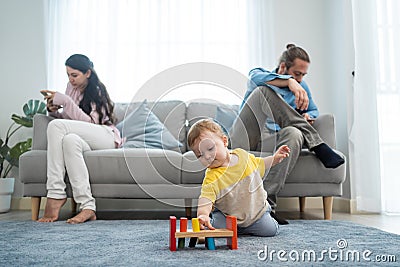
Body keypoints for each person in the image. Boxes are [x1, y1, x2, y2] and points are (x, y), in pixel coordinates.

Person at [229, 44, 345, 224]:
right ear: (283, 67)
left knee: (295, 133)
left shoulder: (301, 86)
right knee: (263, 92)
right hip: (246, 136)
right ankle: (317, 143)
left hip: (274, 138)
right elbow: (255, 77)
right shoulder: (261, 75)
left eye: (303, 75)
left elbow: (314, 109)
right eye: (297, 74)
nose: (299, 79)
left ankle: (265, 206)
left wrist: (308, 115)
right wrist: (287, 81)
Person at [38, 54, 122, 224]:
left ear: (88, 73)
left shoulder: (98, 91)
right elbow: (70, 121)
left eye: (74, 75)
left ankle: (55, 193)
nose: (71, 79)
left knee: (56, 126)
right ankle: (88, 206)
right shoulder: (71, 89)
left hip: (105, 135)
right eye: (68, 75)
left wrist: (67, 102)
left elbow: (91, 123)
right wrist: (54, 111)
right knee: (69, 141)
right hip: (84, 138)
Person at [187, 118, 290, 237]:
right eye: (200, 155)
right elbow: (205, 199)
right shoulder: (211, 177)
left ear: (224, 141)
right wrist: (203, 215)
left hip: (255, 214)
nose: (208, 156)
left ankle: (266, 217)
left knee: (270, 231)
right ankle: (229, 227)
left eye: (210, 149)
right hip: (228, 218)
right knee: (215, 229)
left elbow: (259, 163)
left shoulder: (242, 155)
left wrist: (274, 159)